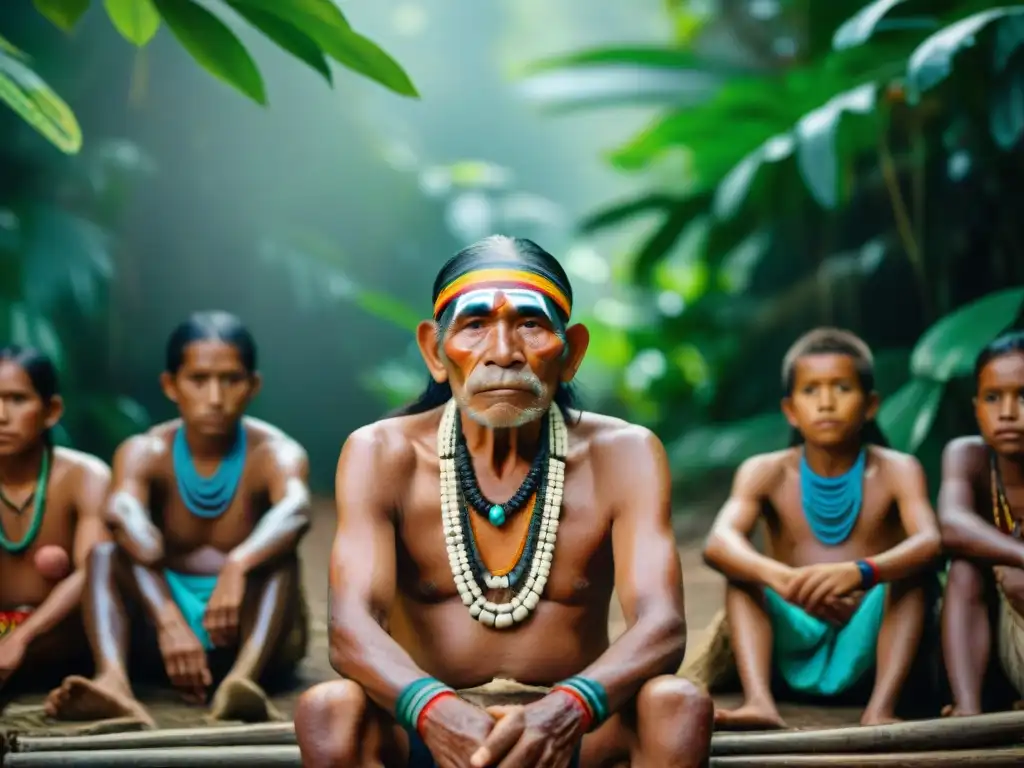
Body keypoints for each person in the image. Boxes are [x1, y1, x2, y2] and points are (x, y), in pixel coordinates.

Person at [294, 235, 713, 768]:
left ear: (571, 352)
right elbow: (351, 629)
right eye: (474, 325)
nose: (503, 352)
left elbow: (662, 626)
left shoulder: (625, 455)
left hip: (574, 728)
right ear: (434, 351)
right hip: (427, 726)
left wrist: (567, 708)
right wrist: (436, 710)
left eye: (530, 324)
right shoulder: (382, 454)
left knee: (676, 705)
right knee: (330, 710)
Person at [46, 311, 312, 725]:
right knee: (105, 554)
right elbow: (126, 518)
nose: (215, 397)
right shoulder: (145, 451)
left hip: (248, 634)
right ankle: (112, 682)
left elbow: (296, 509)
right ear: (171, 385)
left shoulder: (275, 453)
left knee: (281, 555)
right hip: (160, 633)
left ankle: (242, 684)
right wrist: (168, 618)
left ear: (253, 386)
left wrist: (239, 563)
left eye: (231, 379)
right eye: (198, 379)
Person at [702, 328, 942, 729]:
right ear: (791, 410)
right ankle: (759, 702)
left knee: (913, 576)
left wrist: (860, 572)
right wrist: (784, 580)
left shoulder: (897, 470)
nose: (826, 402)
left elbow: (930, 543)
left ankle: (881, 708)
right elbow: (718, 543)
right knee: (742, 576)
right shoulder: (766, 471)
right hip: (794, 638)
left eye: (842, 388)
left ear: (870, 405)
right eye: (811, 390)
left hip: (868, 639)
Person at [0, 346, 112, 710]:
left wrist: (22, 637)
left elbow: (92, 570)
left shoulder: (85, 476)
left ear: (51, 410)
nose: (2, 416)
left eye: (16, 400)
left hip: (63, 636)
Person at [939, 325, 1024, 716]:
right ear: (976, 407)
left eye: (1023, 396)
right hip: (1002, 651)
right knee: (964, 568)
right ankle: (968, 711)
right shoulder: (968, 456)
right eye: (993, 398)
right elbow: (952, 524)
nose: (1008, 413)